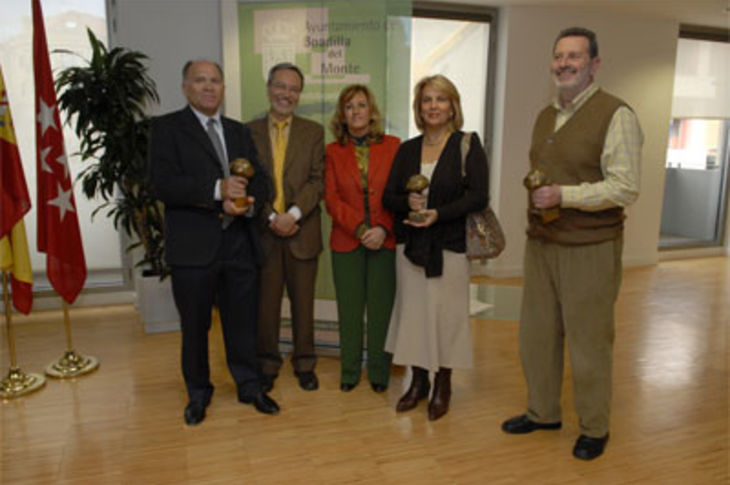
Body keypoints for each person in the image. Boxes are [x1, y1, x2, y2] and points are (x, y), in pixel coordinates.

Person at [501, 27, 643, 460]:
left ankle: (595, 427)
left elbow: (626, 187)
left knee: (588, 342)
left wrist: (566, 194)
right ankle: (543, 412)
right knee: (537, 337)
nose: (564, 63)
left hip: (590, 247)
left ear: (594, 65)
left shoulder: (616, 114)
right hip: (542, 242)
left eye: (574, 57)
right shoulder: (546, 115)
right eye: (559, 56)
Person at [149, 59, 280, 425]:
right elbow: (161, 183)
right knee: (195, 326)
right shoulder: (167, 129)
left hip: (238, 244)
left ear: (224, 88)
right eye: (200, 80)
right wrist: (215, 190)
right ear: (185, 87)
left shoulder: (238, 131)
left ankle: (250, 385)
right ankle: (198, 393)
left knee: (243, 322)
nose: (209, 87)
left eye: (215, 81)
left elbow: (261, 180)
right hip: (193, 249)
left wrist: (251, 199)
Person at [383, 75, 488, 421]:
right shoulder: (407, 149)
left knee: (446, 318)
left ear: (453, 105)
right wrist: (407, 201)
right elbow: (389, 198)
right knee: (414, 317)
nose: (433, 106)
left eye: (441, 99)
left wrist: (438, 214)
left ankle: (443, 383)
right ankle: (417, 383)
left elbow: (478, 196)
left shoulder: (467, 145)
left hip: (450, 247)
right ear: (419, 107)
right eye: (427, 100)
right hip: (412, 247)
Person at [246, 63, 325, 392]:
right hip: (263, 230)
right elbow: (246, 181)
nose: (286, 94)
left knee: (304, 304)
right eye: (281, 86)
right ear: (269, 88)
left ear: (299, 94)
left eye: (293, 89)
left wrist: (292, 214)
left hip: (302, 231)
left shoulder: (313, 131)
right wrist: (270, 217)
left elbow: (317, 180)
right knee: (266, 307)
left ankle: (305, 363)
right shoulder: (246, 131)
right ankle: (267, 362)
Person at [324, 85, 400, 393]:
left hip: (385, 240)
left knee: (381, 310)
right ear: (342, 115)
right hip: (346, 241)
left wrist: (382, 228)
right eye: (349, 107)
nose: (356, 111)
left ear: (372, 111)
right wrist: (358, 229)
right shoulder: (332, 151)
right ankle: (350, 370)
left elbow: (400, 194)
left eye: (361, 105)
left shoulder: (394, 146)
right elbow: (331, 198)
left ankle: (380, 372)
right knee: (350, 310)